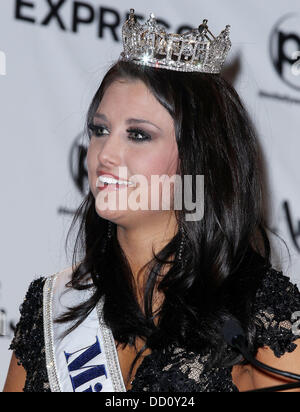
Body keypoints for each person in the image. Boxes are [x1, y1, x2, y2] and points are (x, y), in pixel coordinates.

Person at [3, 9, 300, 393]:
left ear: (198, 158)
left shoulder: (262, 315)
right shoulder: (51, 308)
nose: (104, 154)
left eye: (138, 135)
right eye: (99, 129)